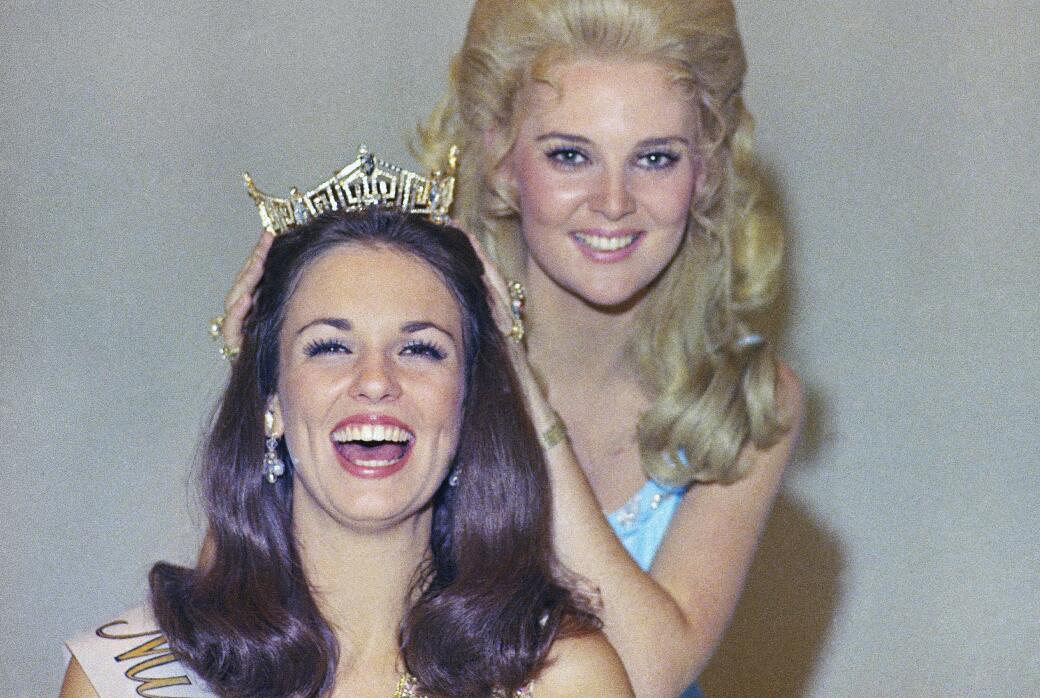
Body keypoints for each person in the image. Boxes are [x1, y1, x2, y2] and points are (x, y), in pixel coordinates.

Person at [216, 0, 803, 698]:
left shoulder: (751, 396)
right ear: (498, 156)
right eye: (570, 155)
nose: (614, 203)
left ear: (709, 169)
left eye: (655, 157)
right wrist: (262, 388)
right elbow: (231, 627)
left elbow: (648, 676)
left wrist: (518, 393)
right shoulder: (408, 361)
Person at [62, 206, 632, 698]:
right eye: (330, 347)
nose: (376, 381)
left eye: (420, 350)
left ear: (468, 406)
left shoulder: (562, 678)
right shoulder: (126, 680)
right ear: (272, 401)